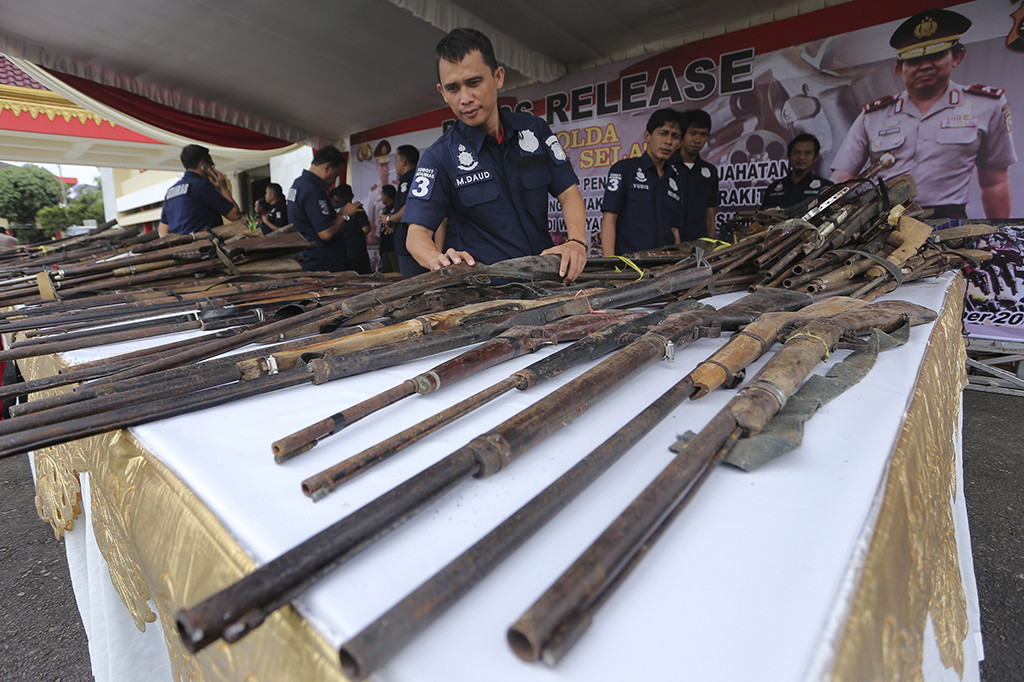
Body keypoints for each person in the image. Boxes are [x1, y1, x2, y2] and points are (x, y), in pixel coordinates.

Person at [403, 28, 588, 281]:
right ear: (442, 92)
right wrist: (438, 260)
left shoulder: (535, 131)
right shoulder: (439, 157)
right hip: (489, 297)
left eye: (474, 82)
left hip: (550, 282)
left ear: (498, 77)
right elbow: (416, 236)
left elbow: (569, 193)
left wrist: (576, 242)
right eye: (453, 88)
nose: (465, 98)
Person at [831, 9, 1016, 219]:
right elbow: (843, 177)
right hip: (883, 221)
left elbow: (995, 182)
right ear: (899, 69)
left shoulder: (986, 105)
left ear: (957, 56)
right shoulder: (873, 115)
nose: (925, 65)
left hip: (948, 222)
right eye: (914, 59)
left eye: (936, 54)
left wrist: (996, 235)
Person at [600, 108, 684, 255]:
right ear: (647, 136)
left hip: (665, 269)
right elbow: (609, 218)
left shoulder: (676, 179)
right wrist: (610, 264)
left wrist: (677, 265)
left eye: (675, 136)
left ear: (679, 143)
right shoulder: (623, 169)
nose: (669, 141)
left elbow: (674, 230)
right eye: (663, 133)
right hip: (630, 268)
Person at [286, 145, 364, 272]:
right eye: (336, 174)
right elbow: (326, 233)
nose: (334, 181)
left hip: (309, 257)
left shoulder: (298, 183)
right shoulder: (313, 190)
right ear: (326, 167)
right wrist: (344, 214)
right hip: (322, 263)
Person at [158, 144, 242, 236]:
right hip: (206, 247)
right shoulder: (202, 186)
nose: (213, 168)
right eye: (211, 165)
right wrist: (223, 188)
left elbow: (163, 231)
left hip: (181, 249)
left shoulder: (170, 192)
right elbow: (235, 215)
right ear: (203, 165)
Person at [671, 109, 720, 240]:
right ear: (682, 135)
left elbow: (710, 219)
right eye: (693, 133)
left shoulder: (710, 172)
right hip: (667, 247)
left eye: (703, 134)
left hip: (698, 247)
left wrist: (712, 249)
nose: (698, 139)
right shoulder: (666, 167)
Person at [384, 144, 430, 276]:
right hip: (412, 241)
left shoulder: (407, 180)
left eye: (396, 160)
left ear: (403, 162)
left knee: (413, 283)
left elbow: (407, 209)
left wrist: (389, 219)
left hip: (409, 243)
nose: (395, 164)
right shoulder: (415, 177)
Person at [760, 133, 834, 209]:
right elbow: (762, 217)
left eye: (807, 153)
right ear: (789, 156)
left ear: (815, 158)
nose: (801, 157)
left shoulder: (826, 187)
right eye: (797, 152)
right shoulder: (773, 188)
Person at [331, 184, 372, 274]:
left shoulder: (332, 210)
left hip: (338, 253)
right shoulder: (356, 208)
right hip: (357, 251)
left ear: (337, 197)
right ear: (352, 195)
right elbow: (366, 228)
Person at [378, 184, 399, 273]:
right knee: (387, 272)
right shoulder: (384, 210)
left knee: (396, 272)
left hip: (394, 246)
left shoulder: (397, 209)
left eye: (382, 195)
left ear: (387, 196)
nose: (381, 197)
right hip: (385, 246)